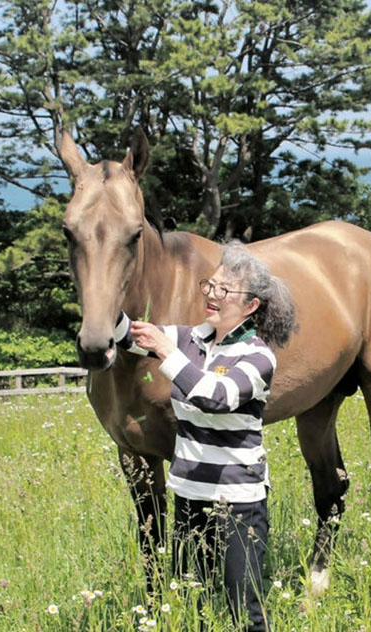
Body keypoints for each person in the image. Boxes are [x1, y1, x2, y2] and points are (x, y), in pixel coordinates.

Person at [114, 242, 296, 632]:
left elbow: (215, 397)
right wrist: (102, 298)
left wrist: (165, 351)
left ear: (251, 306)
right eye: (210, 285)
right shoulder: (190, 339)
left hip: (238, 504)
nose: (212, 295)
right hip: (189, 496)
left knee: (241, 609)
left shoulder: (257, 356)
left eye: (225, 290)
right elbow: (130, 336)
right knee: (190, 600)